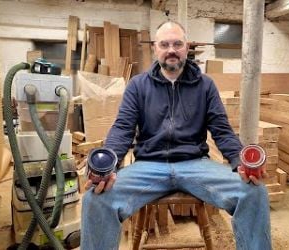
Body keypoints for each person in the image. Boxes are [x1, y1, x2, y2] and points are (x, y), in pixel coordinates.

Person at [81, 20, 271, 250]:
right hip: (149, 165)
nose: (171, 49)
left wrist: (240, 161)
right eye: (165, 44)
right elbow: (122, 128)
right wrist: (107, 165)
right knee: (96, 198)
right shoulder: (138, 86)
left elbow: (222, 131)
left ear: (186, 47)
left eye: (177, 43)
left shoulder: (206, 86)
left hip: (195, 164)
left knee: (253, 192)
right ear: (155, 48)